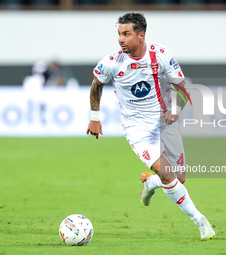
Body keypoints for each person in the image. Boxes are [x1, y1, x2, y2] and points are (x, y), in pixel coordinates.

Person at [86, 12, 215, 240]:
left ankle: (149, 182)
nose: (121, 39)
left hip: (165, 123)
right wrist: (94, 117)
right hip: (138, 129)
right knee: (168, 174)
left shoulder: (160, 55)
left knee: (178, 178)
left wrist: (175, 109)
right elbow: (97, 84)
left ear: (141, 35)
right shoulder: (112, 62)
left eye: (126, 34)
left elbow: (182, 87)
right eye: (119, 34)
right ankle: (201, 222)